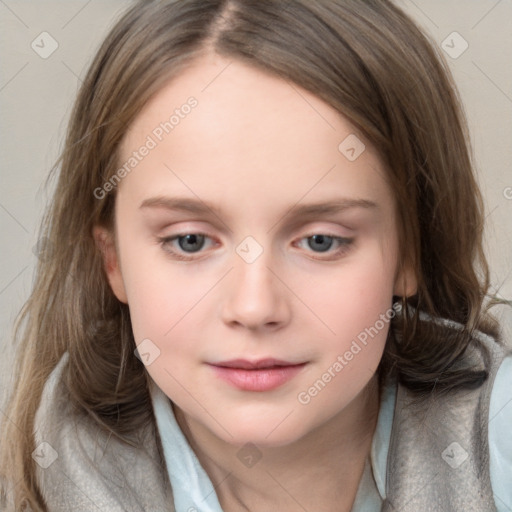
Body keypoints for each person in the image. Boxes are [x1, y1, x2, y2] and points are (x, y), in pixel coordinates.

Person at [0, 0, 511, 510]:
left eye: (320, 241)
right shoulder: (31, 473)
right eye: (190, 241)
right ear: (113, 262)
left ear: (409, 252)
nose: (254, 307)